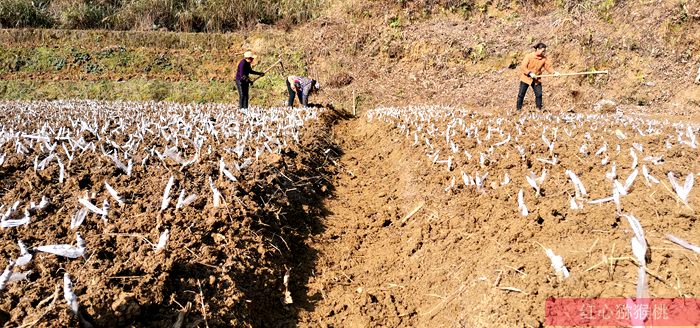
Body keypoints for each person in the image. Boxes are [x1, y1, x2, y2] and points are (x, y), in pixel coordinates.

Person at [516, 42, 559, 111]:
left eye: (544, 51)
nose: (544, 52)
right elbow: (523, 67)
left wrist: (554, 72)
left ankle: (539, 109)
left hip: (536, 79)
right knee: (521, 95)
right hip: (526, 78)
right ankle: (518, 109)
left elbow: (548, 67)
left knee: (539, 95)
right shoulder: (529, 56)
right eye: (542, 51)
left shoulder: (544, 59)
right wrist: (529, 73)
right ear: (537, 49)